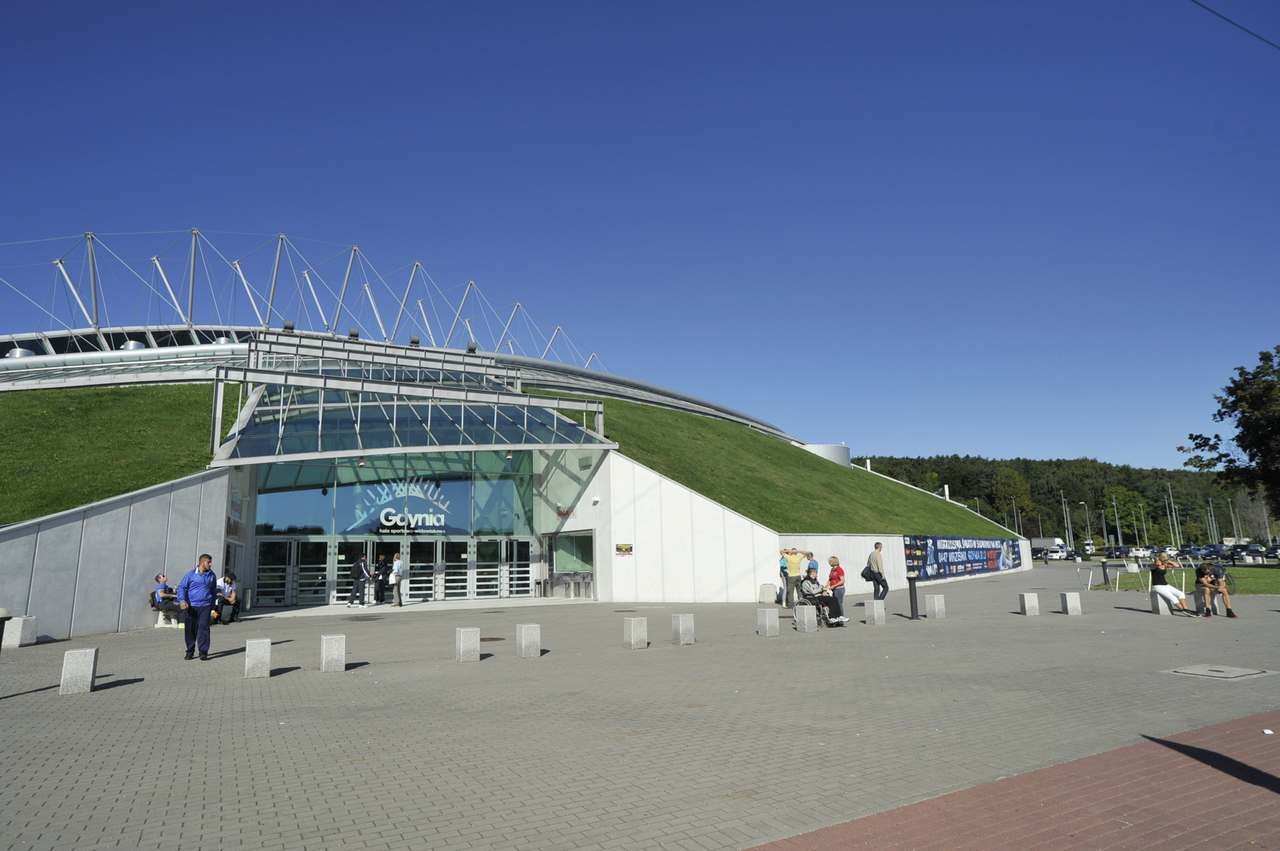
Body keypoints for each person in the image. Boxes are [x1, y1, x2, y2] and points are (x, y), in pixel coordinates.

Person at [176, 554, 218, 661]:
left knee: (204, 629)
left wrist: (213, 607)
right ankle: (190, 651)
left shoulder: (212, 575)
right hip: (192, 607)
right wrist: (182, 600)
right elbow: (181, 587)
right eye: (209, 562)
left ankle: (203, 652)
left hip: (205, 606)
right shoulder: (190, 575)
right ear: (202, 562)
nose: (211, 564)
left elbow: (213, 591)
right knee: (190, 630)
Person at [825, 556, 847, 623]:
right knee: (835, 604)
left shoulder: (839, 569)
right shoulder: (832, 570)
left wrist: (834, 586)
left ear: (834, 562)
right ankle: (836, 618)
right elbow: (830, 579)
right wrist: (826, 585)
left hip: (839, 589)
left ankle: (841, 619)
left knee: (839, 604)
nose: (829, 562)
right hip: (834, 589)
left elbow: (842, 581)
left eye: (830, 561)